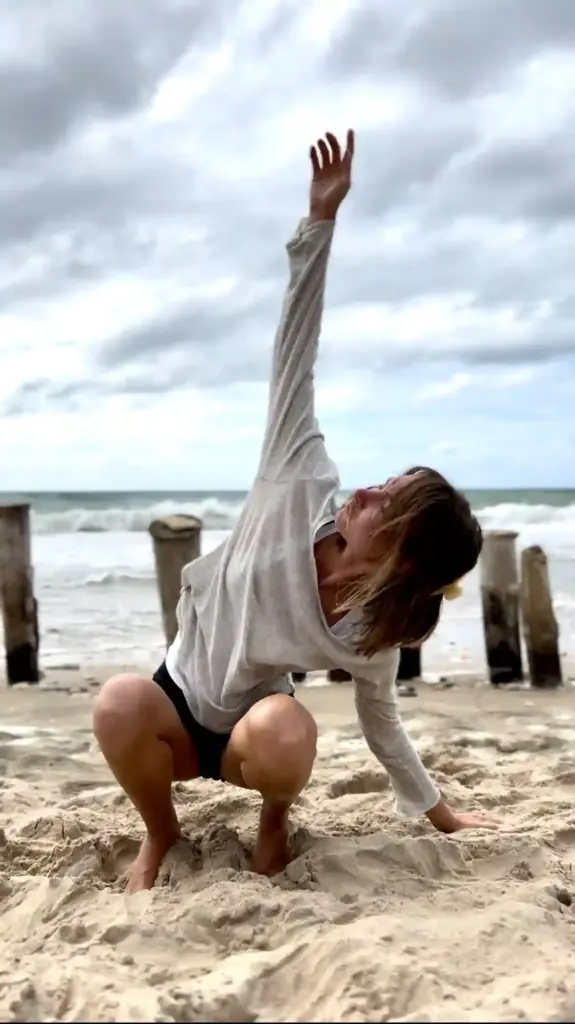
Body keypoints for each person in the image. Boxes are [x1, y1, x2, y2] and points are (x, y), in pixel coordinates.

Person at [93, 129, 500, 893]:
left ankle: (273, 817)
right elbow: (296, 350)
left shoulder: (367, 628)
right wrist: (319, 221)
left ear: (403, 558)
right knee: (116, 702)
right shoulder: (298, 473)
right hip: (177, 705)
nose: (368, 490)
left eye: (389, 502)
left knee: (288, 733)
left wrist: (439, 814)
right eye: (384, 479)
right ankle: (162, 833)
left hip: (254, 728)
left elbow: (382, 724)